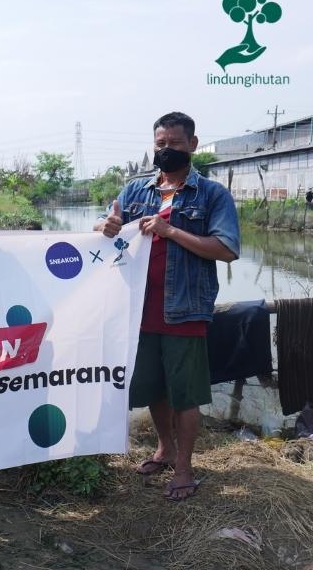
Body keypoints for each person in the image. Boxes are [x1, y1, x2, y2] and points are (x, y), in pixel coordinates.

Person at [94, 112, 240, 502]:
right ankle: (164, 448)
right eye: (161, 144)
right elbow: (106, 225)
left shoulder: (212, 195)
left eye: (175, 143)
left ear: (192, 145)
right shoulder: (134, 191)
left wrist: (170, 230)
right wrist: (103, 227)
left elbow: (227, 249)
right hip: (137, 310)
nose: (167, 150)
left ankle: (185, 467)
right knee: (154, 387)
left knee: (185, 394)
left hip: (184, 308)